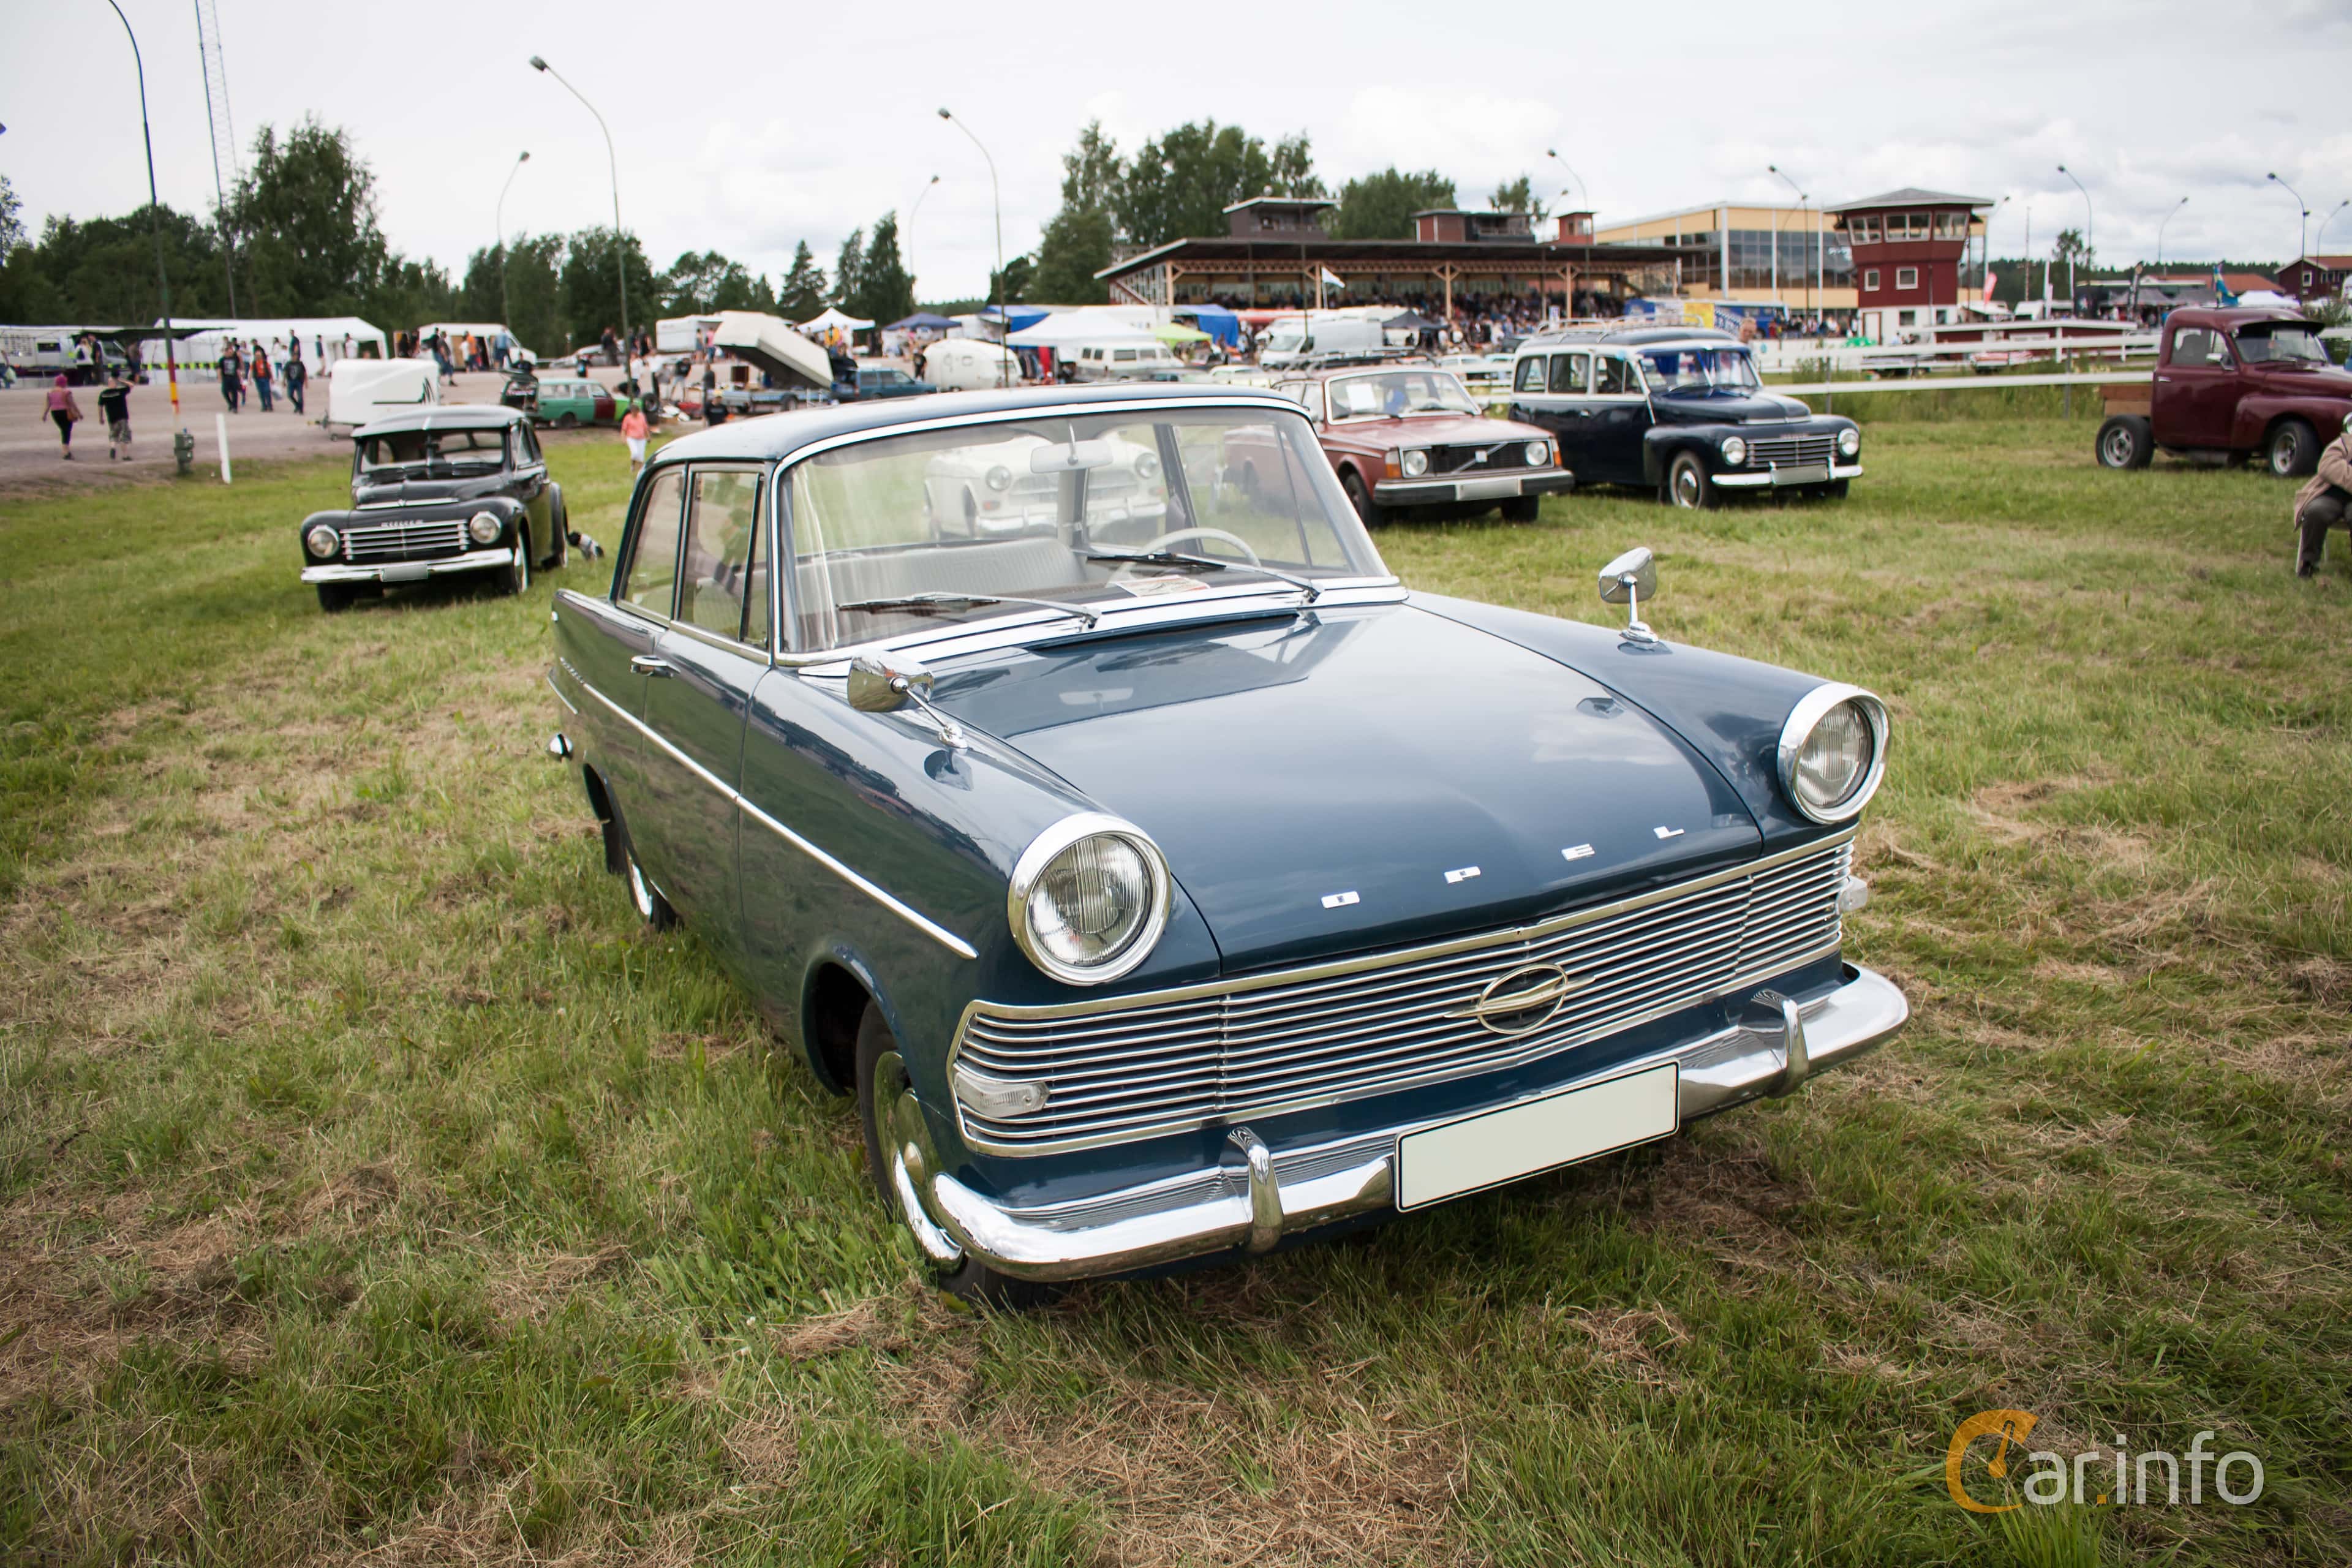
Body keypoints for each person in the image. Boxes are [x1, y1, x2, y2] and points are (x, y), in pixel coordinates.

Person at [2294, 412, 2352, 578]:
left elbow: (2338, 468)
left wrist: (2344, 471)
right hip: (2330, 494)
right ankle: (2309, 563)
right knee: (2315, 511)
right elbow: (2328, 466)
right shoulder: (2345, 443)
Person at [42, 374, 84, 459]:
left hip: (55, 413)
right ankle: (66, 452)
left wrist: (45, 415)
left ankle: (66, 452)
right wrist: (79, 413)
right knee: (66, 431)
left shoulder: (50, 393)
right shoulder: (66, 392)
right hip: (65, 412)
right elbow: (72, 404)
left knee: (63, 430)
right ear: (64, 383)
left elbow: (48, 405)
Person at [97, 369, 134, 461]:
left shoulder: (103, 394)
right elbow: (131, 385)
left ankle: (113, 448)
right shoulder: (120, 392)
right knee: (124, 436)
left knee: (113, 435)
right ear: (115, 383)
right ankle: (125, 456)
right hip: (122, 417)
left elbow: (100, 406)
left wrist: (101, 418)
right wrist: (120, 379)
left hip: (112, 418)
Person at [620, 396, 650, 479]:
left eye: (635, 411)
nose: (634, 413)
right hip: (631, 437)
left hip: (641, 438)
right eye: (632, 411)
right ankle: (633, 465)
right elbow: (624, 429)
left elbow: (645, 427)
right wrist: (623, 439)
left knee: (641, 455)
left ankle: (641, 471)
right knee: (635, 453)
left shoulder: (642, 417)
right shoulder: (628, 418)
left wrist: (648, 437)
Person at [283, 341, 307, 415]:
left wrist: (306, 382)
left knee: (300, 396)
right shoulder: (288, 364)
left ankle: (301, 410)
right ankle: (297, 405)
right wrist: (283, 381)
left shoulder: (300, 363)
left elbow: (304, 373)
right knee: (290, 395)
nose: (295, 358)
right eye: (293, 356)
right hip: (291, 381)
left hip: (299, 381)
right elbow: (285, 372)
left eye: (296, 356)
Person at [218, 341, 243, 412]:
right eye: (229, 352)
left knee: (234, 392)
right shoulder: (222, 360)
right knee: (225, 392)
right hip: (226, 378)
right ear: (226, 352)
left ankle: (235, 407)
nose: (231, 353)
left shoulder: (235, 359)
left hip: (234, 377)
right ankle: (230, 403)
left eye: (231, 352)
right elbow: (219, 369)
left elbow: (237, 369)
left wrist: (240, 378)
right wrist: (220, 378)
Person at [252, 343, 275, 412]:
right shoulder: (254, 363)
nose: (258, 357)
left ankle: (270, 405)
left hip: (265, 378)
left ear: (261, 356)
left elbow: (269, 370)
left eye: (259, 355)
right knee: (261, 393)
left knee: (267, 391)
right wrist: (250, 379)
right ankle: (264, 405)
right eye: (257, 356)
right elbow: (251, 370)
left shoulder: (265, 363)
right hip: (258, 379)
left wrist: (272, 379)